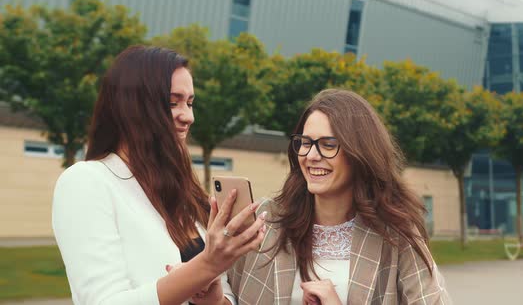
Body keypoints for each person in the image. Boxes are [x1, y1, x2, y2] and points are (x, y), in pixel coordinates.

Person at [52, 45, 267, 305]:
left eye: (189, 103)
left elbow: (223, 296)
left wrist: (213, 298)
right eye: (172, 102)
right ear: (132, 106)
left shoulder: (184, 192)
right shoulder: (86, 182)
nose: (188, 116)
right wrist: (206, 266)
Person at [228, 89, 451, 304]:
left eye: (328, 145)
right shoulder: (267, 221)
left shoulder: (397, 233)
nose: (311, 156)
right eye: (305, 143)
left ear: (360, 153)